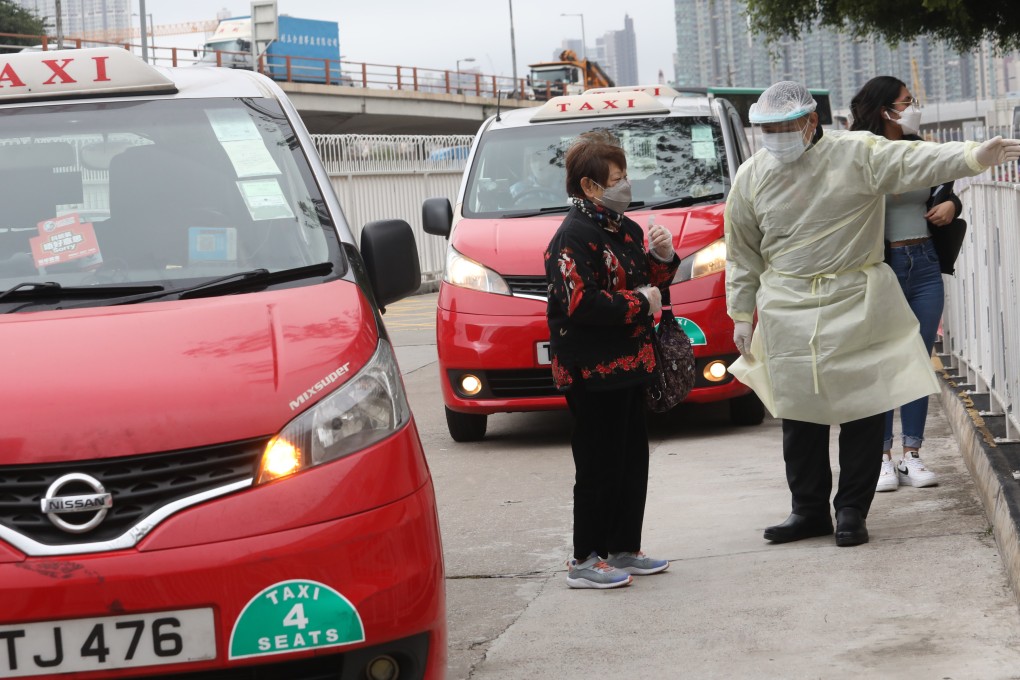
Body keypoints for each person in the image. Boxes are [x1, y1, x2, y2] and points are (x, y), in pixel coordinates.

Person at [724, 81, 1020, 547]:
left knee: (862, 410)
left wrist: (973, 157)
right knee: (800, 416)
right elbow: (742, 252)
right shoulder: (751, 175)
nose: (777, 135)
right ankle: (807, 510)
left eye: (785, 126)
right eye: (768, 128)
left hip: (854, 297)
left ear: (810, 122)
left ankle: (851, 512)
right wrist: (741, 313)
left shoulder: (857, 152)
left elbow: (915, 161)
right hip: (787, 306)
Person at [545, 130, 678, 588]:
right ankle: (585, 559)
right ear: (589, 186)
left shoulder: (625, 228)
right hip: (590, 369)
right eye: (616, 178)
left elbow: (650, 281)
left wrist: (663, 257)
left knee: (631, 460)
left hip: (631, 364)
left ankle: (623, 547)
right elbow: (581, 304)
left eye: (625, 176)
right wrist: (643, 302)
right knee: (598, 463)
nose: (625, 185)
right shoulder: (572, 237)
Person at [850, 75, 958, 492]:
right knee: (880, 362)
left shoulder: (919, 149)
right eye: (907, 101)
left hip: (926, 262)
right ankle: (881, 458)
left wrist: (950, 203)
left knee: (918, 358)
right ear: (885, 110)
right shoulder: (860, 153)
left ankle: (913, 455)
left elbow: (946, 187)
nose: (913, 108)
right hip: (883, 264)